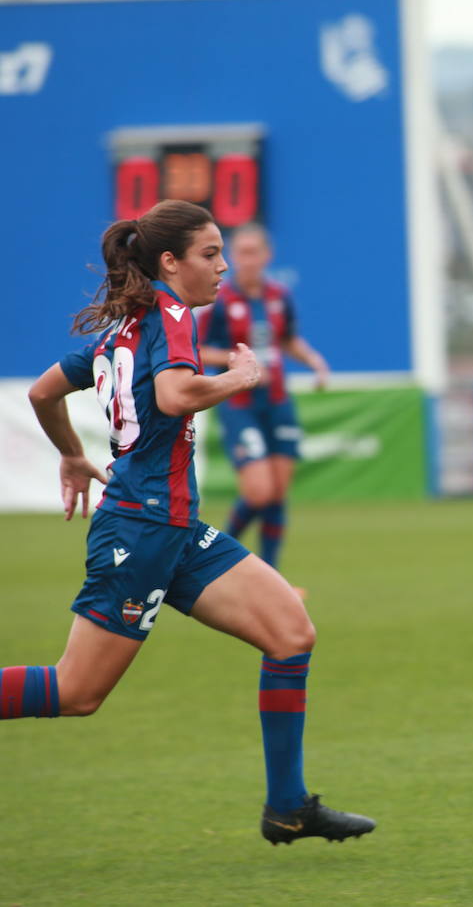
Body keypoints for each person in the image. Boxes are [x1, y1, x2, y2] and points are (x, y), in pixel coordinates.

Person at [5, 200, 374, 846]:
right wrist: (237, 376)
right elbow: (176, 394)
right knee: (76, 691)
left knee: (290, 632)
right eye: (210, 254)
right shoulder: (170, 315)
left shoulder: (127, 327)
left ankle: (288, 807)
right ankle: (287, 804)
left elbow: (43, 391)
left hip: (175, 530)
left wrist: (70, 453)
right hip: (141, 532)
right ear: (169, 262)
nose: (222, 266)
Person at [198, 224, 329, 571]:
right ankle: (215, 558)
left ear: (267, 256)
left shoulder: (278, 295)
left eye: (253, 251)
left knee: (277, 492)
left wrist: (314, 361)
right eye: (240, 252)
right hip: (239, 404)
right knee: (258, 491)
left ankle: (272, 574)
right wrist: (238, 364)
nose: (247, 259)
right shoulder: (221, 301)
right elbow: (198, 349)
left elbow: (286, 339)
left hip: (278, 401)